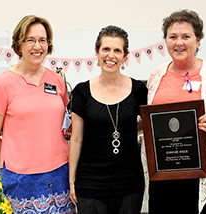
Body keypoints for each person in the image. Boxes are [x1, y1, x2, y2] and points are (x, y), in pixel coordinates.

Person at [146, 9, 206, 214]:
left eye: (186, 36)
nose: (179, 42)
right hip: (164, 173)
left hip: (203, 173)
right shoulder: (155, 75)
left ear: (198, 40)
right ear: (166, 41)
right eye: (173, 37)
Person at [0, 15, 76, 213]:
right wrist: (10, 166)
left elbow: (65, 123)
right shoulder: (2, 84)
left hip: (60, 173)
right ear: (19, 45)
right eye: (30, 40)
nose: (38, 46)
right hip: (22, 178)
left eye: (43, 40)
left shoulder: (57, 80)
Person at [69, 25, 148, 214]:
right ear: (97, 52)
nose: (111, 55)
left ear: (125, 56)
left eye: (117, 50)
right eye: (106, 49)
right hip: (90, 183)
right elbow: (77, 138)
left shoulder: (139, 90)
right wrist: (71, 179)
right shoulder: (82, 92)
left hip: (129, 183)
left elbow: (149, 124)